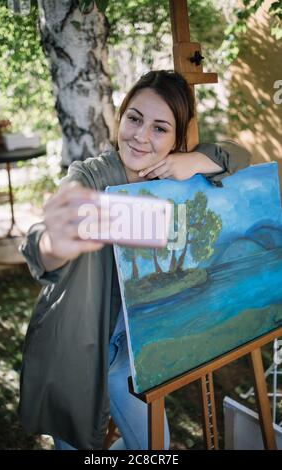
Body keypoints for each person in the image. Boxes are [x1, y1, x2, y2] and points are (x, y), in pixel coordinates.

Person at [19, 70, 250, 450]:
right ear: (121, 116)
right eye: (135, 118)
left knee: (154, 447)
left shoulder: (173, 179)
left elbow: (241, 153)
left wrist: (194, 161)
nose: (141, 136)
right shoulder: (91, 177)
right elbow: (41, 245)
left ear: (177, 138)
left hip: (130, 352)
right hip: (77, 349)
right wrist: (53, 242)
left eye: (160, 128)